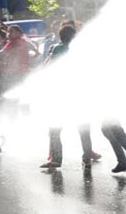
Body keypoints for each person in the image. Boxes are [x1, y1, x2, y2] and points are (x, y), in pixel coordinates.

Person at [39, 25, 101, 169]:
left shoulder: (57, 49)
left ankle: (56, 159)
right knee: (84, 128)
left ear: (61, 37)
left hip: (61, 95)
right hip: (80, 95)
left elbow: (47, 68)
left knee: (55, 129)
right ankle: (86, 157)